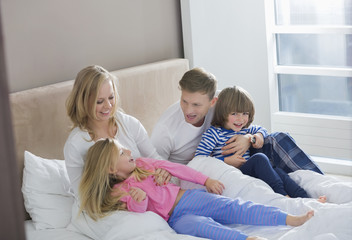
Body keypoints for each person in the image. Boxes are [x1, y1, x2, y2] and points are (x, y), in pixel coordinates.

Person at [79, 138, 315, 240]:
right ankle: (246, 238)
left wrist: (205, 181)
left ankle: (289, 219)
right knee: (199, 228)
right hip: (173, 218)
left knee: (234, 209)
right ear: (110, 169)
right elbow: (138, 211)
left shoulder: (143, 164)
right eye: (122, 153)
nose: (129, 152)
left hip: (189, 199)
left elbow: (176, 169)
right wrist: (139, 199)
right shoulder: (116, 192)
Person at [151, 67, 323, 174]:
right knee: (264, 164)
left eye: (196, 104)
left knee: (278, 138)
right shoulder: (165, 129)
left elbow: (249, 126)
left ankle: (317, 181)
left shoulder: (221, 103)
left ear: (213, 102)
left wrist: (249, 139)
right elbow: (154, 169)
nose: (188, 110)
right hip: (203, 168)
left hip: (241, 156)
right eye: (184, 101)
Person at [195, 86, 326, 201]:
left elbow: (262, 130)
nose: (240, 119)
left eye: (245, 113)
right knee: (260, 159)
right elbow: (200, 160)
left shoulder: (245, 129)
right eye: (234, 114)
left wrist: (254, 137)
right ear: (222, 112)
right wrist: (225, 161)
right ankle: (283, 197)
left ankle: (307, 199)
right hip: (232, 174)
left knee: (279, 172)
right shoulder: (213, 134)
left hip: (248, 171)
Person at [64, 65, 170, 203]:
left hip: (149, 199)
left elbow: (155, 159)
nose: (108, 106)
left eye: (111, 97)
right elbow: (83, 196)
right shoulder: (76, 144)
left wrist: (163, 171)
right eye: (99, 101)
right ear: (84, 102)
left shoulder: (130, 124)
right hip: (111, 206)